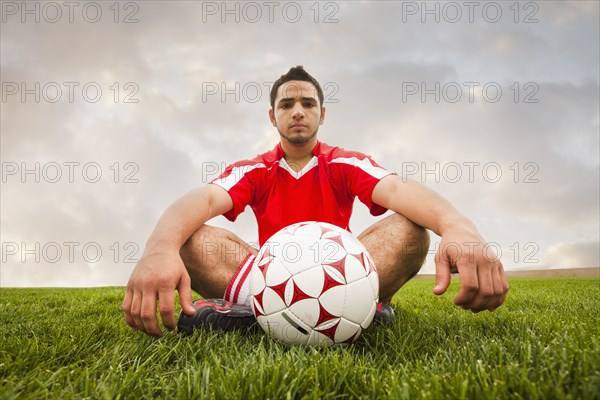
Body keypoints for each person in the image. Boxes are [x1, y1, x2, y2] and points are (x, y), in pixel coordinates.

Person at [122, 66, 509, 337]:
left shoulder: (342, 162)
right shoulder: (257, 169)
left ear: (322, 114)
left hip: (342, 279)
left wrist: (460, 228)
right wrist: (158, 250)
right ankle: (354, 318)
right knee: (189, 236)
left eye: (307, 103)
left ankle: (253, 320)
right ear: (272, 118)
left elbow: (398, 191)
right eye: (286, 105)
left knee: (410, 229)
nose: (297, 111)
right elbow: (204, 198)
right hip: (270, 279)